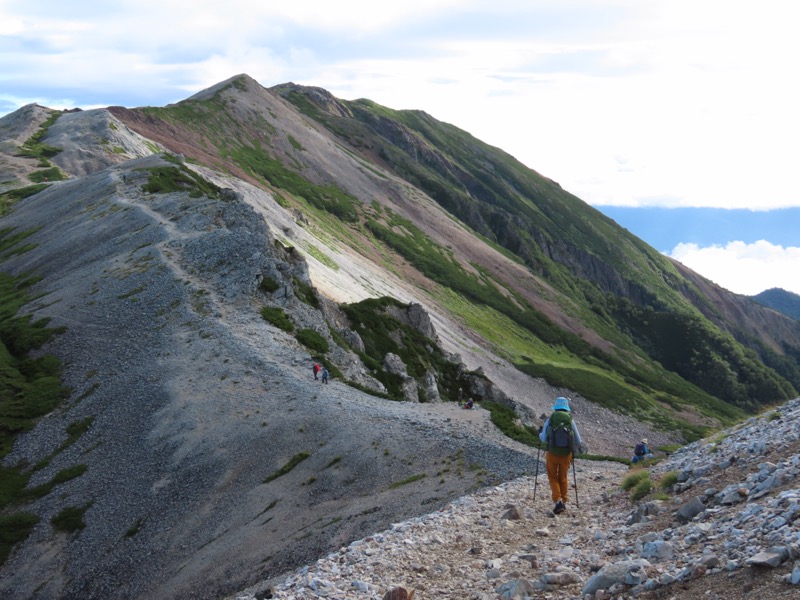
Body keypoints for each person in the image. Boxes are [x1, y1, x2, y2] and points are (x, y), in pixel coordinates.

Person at [538, 396, 585, 514]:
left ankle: (557, 501)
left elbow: (543, 439)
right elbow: (579, 441)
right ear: (566, 407)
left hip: (552, 453)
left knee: (553, 477)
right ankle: (563, 501)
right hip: (566, 455)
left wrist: (539, 434)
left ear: (556, 407)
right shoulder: (571, 420)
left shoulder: (550, 419)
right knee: (563, 478)